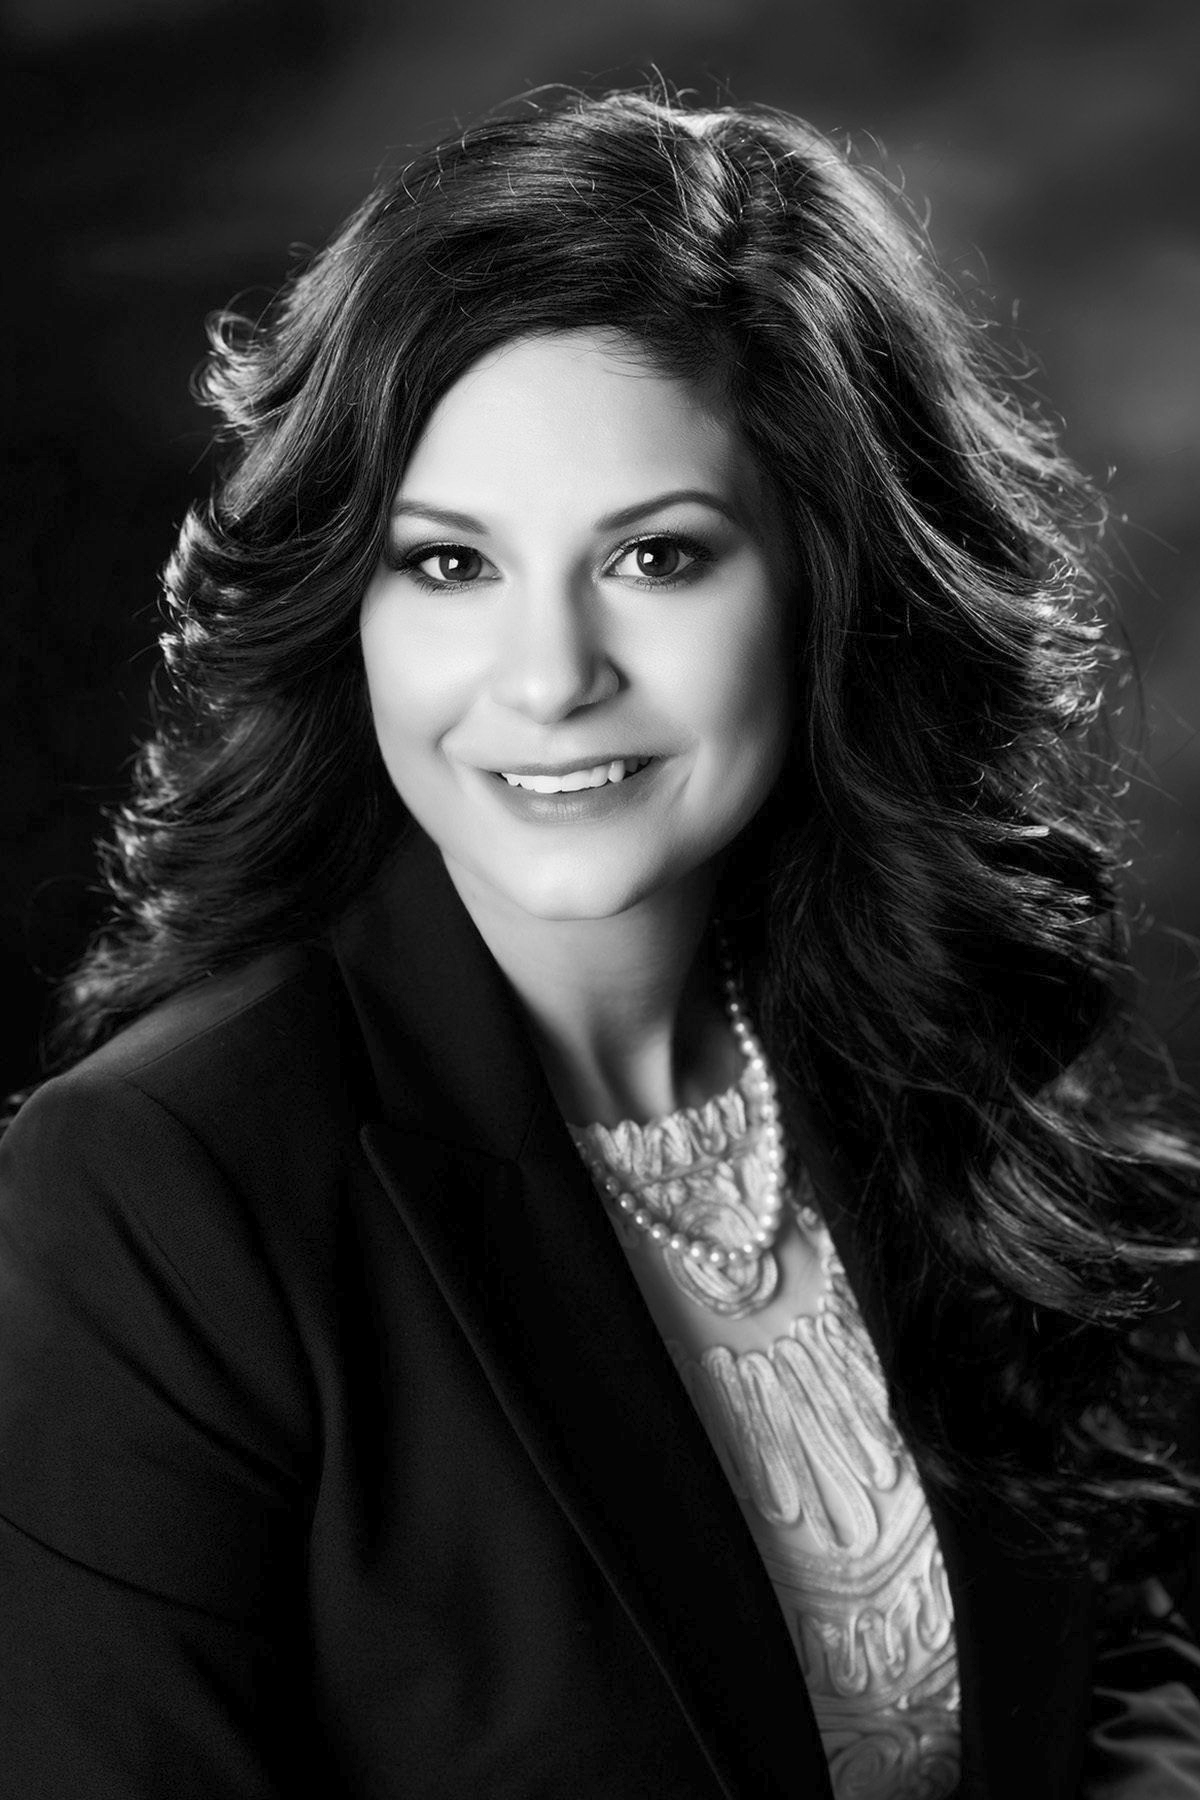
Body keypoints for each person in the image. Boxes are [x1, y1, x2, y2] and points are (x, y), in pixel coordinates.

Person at [3, 85, 1200, 1800]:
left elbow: (1116, 1640)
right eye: (448, 566)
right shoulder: (156, 1191)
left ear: (826, 583)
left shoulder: (908, 1031)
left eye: (653, 554)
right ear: (347, 599)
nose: (551, 675)